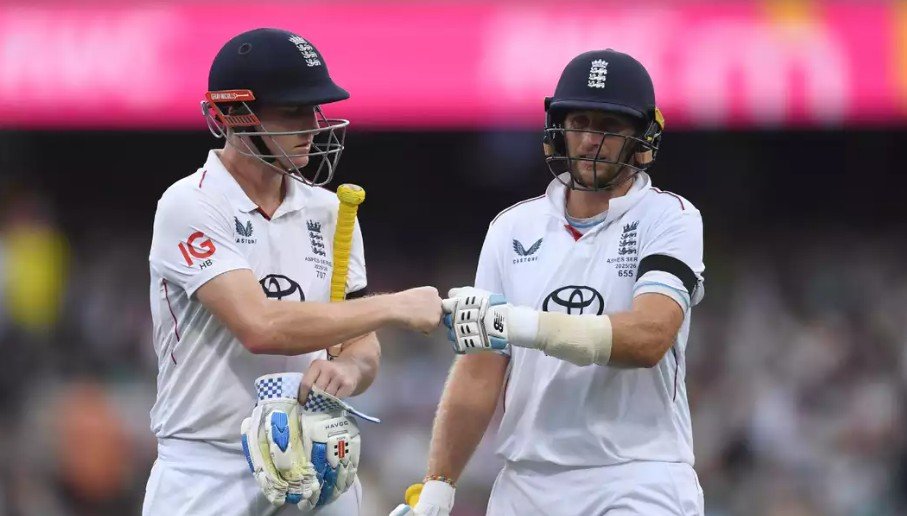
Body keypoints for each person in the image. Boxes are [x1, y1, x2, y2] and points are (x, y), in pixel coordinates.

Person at [143, 28, 441, 515]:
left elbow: (358, 343)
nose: (311, 126)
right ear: (234, 115)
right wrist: (395, 306)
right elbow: (260, 327)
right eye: (292, 112)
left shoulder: (331, 210)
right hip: (209, 472)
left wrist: (350, 368)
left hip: (315, 460)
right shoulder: (190, 204)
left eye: (314, 110)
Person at [395, 49, 705, 515]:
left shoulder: (671, 218)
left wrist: (515, 323)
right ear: (558, 128)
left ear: (642, 138)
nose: (591, 140)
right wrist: (439, 484)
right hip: (527, 482)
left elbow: (648, 339)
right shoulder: (511, 228)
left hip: (638, 475)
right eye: (580, 122)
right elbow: (481, 370)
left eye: (611, 127)